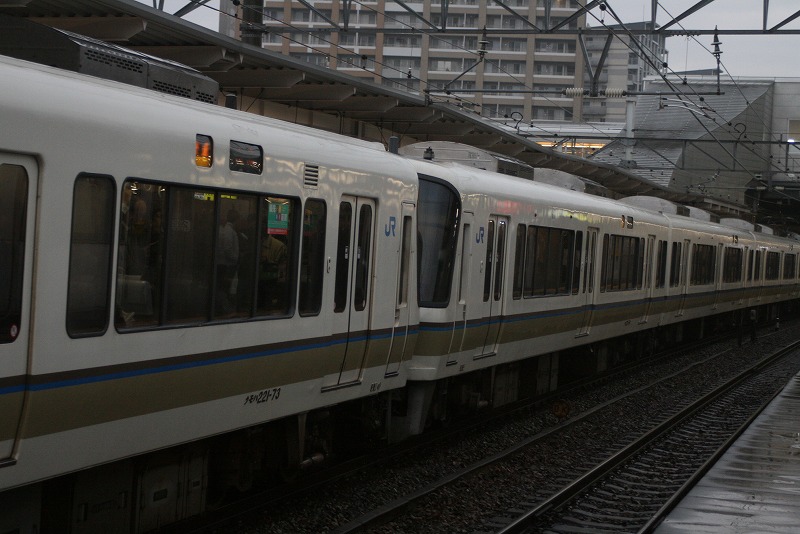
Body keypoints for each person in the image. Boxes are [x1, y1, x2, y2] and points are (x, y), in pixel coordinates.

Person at [216, 209, 240, 314]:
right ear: (236, 219)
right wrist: (235, 258)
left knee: (225, 286)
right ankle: (223, 308)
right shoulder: (229, 231)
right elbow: (227, 249)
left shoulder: (228, 230)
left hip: (225, 263)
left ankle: (222, 306)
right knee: (225, 287)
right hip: (227, 264)